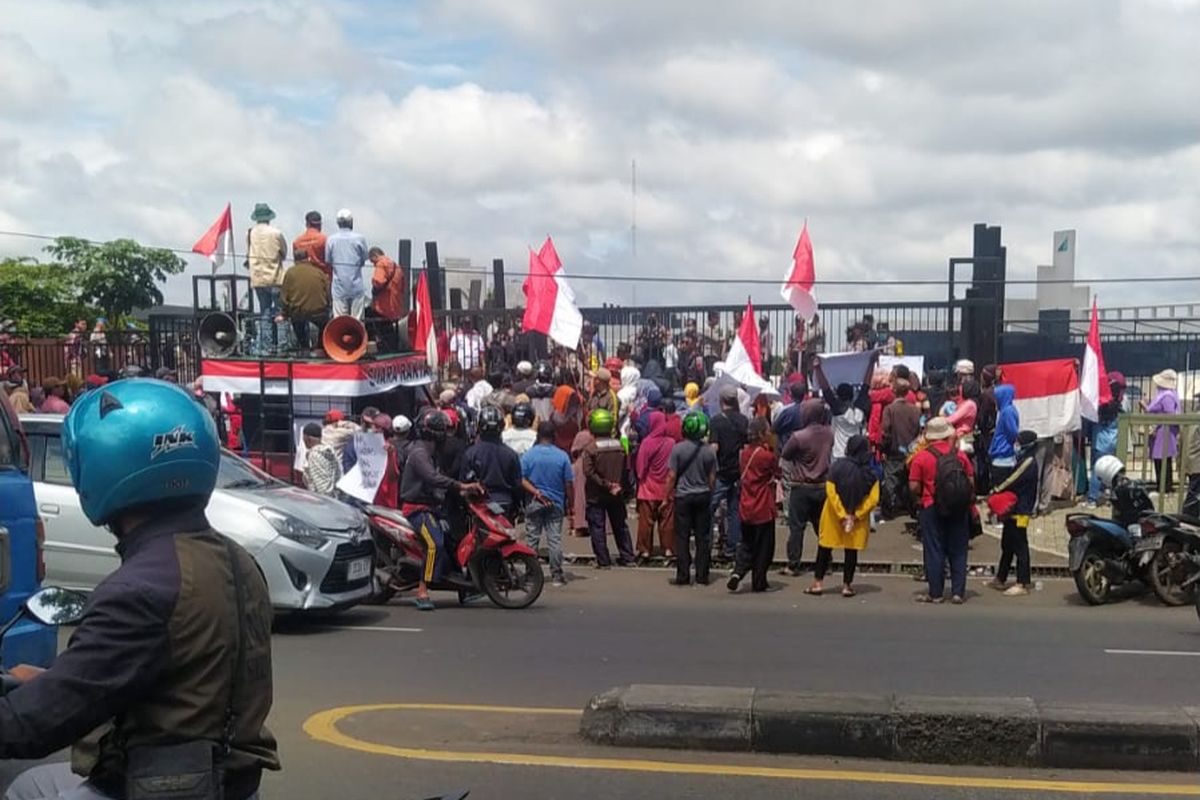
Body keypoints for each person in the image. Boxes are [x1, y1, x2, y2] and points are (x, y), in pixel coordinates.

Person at [0, 380, 279, 799]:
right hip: (232, 780)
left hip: (159, 786)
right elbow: (179, 672)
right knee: (33, 783)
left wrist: (40, 698)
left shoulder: (139, 588)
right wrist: (49, 678)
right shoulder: (237, 561)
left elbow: (32, 728)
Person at [400, 410, 483, 610]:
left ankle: (463, 588)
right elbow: (433, 478)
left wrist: (462, 492)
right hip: (417, 509)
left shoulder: (431, 452)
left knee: (454, 540)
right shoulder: (420, 453)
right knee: (434, 543)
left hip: (433, 507)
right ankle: (422, 590)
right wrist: (461, 486)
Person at [909, 417, 975, 604]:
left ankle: (936, 593)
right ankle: (957, 593)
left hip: (931, 507)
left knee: (934, 549)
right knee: (959, 550)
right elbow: (971, 482)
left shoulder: (921, 457)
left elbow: (913, 486)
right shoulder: (959, 456)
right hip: (958, 508)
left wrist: (921, 497)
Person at [807, 434, 879, 597]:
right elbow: (873, 498)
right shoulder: (870, 473)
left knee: (824, 549)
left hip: (833, 517)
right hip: (856, 521)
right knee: (851, 552)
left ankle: (818, 583)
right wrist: (855, 515)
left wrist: (841, 513)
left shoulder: (837, 466)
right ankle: (847, 586)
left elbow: (831, 491)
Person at [779, 398, 833, 576]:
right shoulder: (828, 434)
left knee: (796, 528)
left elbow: (785, 454)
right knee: (822, 528)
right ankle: (826, 562)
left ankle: (793, 564)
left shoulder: (799, 436)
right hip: (821, 486)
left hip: (801, 486)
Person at [727, 417, 780, 593]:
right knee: (764, 546)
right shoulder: (766, 456)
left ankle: (738, 571)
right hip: (763, 505)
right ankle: (759, 581)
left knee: (747, 543)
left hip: (746, 503)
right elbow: (776, 470)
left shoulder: (744, 454)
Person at [521, 421, 574, 586]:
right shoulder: (562, 456)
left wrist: (536, 492)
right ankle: (557, 575)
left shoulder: (529, 455)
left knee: (532, 540)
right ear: (554, 436)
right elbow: (569, 483)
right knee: (554, 539)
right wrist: (571, 504)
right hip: (555, 502)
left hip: (534, 502)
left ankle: (530, 575)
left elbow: (521, 479)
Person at [986, 430, 1039, 596]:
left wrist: (996, 490)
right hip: (1013, 509)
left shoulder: (1028, 463)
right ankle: (1000, 578)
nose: (1016, 446)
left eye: (1019, 443)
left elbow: (1012, 479)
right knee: (1007, 545)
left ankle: (1022, 582)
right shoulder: (1023, 459)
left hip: (1021, 511)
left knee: (1020, 545)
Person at [668, 411, 718, 585]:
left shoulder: (677, 449)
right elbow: (712, 478)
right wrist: (709, 493)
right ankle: (702, 575)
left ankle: (683, 575)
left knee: (682, 537)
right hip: (702, 495)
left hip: (683, 497)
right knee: (702, 537)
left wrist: (668, 494)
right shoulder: (709, 452)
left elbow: (672, 475)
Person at [581, 408, 636, 568]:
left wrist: (607, 485)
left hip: (596, 495)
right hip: (617, 493)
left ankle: (603, 561)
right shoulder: (619, 446)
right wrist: (620, 487)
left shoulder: (591, 448)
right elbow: (626, 470)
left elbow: (588, 472)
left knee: (598, 528)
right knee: (620, 525)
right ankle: (628, 557)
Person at [709, 385, 749, 561]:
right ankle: (733, 547)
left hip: (721, 472)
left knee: (710, 507)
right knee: (735, 510)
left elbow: (714, 448)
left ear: (722, 400)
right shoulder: (743, 420)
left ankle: (708, 543)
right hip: (738, 471)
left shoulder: (717, 421)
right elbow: (745, 447)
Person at [461, 405, 523, 518]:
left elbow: (464, 483)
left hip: (480, 505)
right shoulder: (511, 454)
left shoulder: (471, 453)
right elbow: (517, 485)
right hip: (505, 504)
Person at [634, 411, 675, 563]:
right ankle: (668, 549)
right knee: (667, 522)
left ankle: (645, 551)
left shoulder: (647, 443)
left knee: (646, 522)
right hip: (666, 488)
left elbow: (640, 469)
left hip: (648, 488)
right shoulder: (671, 443)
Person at [276, 248, 330, 351]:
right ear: (308, 259)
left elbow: (284, 296)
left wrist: (284, 313)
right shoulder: (319, 272)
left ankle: (304, 348)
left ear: (295, 260)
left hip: (298, 312)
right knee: (324, 325)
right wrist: (327, 306)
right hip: (318, 312)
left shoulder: (290, 272)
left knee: (298, 324)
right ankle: (320, 348)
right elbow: (327, 293)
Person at [880, 381, 920, 517]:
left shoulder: (889, 409)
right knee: (910, 478)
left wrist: (883, 448)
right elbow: (919, 430)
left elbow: (885, 431)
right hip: (912, 450)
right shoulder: (915, 409)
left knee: (891, 480)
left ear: (894, 391)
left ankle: (889, 510)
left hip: (894, 450)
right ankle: (912, 508)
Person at [1085, 372, 1125, 507]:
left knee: (1097, 471)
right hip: (1114, 443)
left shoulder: (1100, 405)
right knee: (1113, 471)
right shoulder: (1121, 405)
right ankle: (1113, 497)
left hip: (1099, 443)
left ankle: (1092, 499)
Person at [325, 208, 368, 319]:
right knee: (357, 322)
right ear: (351, 222)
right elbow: (364, 260)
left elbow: (328, 261)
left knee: (339, 322)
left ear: (338, 223)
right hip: (356, 286)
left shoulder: (331, 240)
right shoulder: (360, 238)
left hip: (338, 288)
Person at [246, 202, 288, 316]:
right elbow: (284, 253)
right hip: (275, 278)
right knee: (280, 314)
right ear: (269, 217)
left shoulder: (251, 233)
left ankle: (265, 334)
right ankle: (280, 335)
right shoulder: (276, 233)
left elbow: (248, 252)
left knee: (265, 312)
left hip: (258, 278)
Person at [1145, 369, 1180, 491]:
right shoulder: (1165, 394)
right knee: (1161, 459)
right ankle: (1162, 485)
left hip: (1163, 432)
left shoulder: (1167, 396)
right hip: (1160, 431)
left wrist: (1156, 423)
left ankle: (1164, 486)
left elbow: (1169, 414)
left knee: (1163, 459)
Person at [367, 246, 406, 352]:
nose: (374, 265)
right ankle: (393, 348)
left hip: (383, 306)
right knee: (389, 330)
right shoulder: (397, 267)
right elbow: (403, 287)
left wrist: (374, 289)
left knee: (367, 317)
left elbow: (378, 282)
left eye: (372, 261)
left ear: (375, 255)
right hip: (395, 306)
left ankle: (370, 345)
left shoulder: (381, 263)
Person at [988, 384, 1020, 492]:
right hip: (1001, 455)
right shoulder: (1005, 411)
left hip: (1003, 457)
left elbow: (1013, 432)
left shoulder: (1007, 412)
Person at [302, 421, 342, 496]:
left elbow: (322, 488)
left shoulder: (315, 455)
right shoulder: (329, 451)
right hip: (335, 498)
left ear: (308, 438)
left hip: (323, 502)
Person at [293, 209, 330, 280]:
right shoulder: (325, 240)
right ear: (320, 225)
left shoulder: (297, 242)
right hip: (322, 280)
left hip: (302, 279)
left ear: (307, 224)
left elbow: (296, 264)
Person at [772, 380, 810, 444]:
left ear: (791, 394)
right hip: (804, 447)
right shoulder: (809, 411)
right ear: (803, 395)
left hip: (786, 446)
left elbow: (774, 428)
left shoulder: (785, 411)